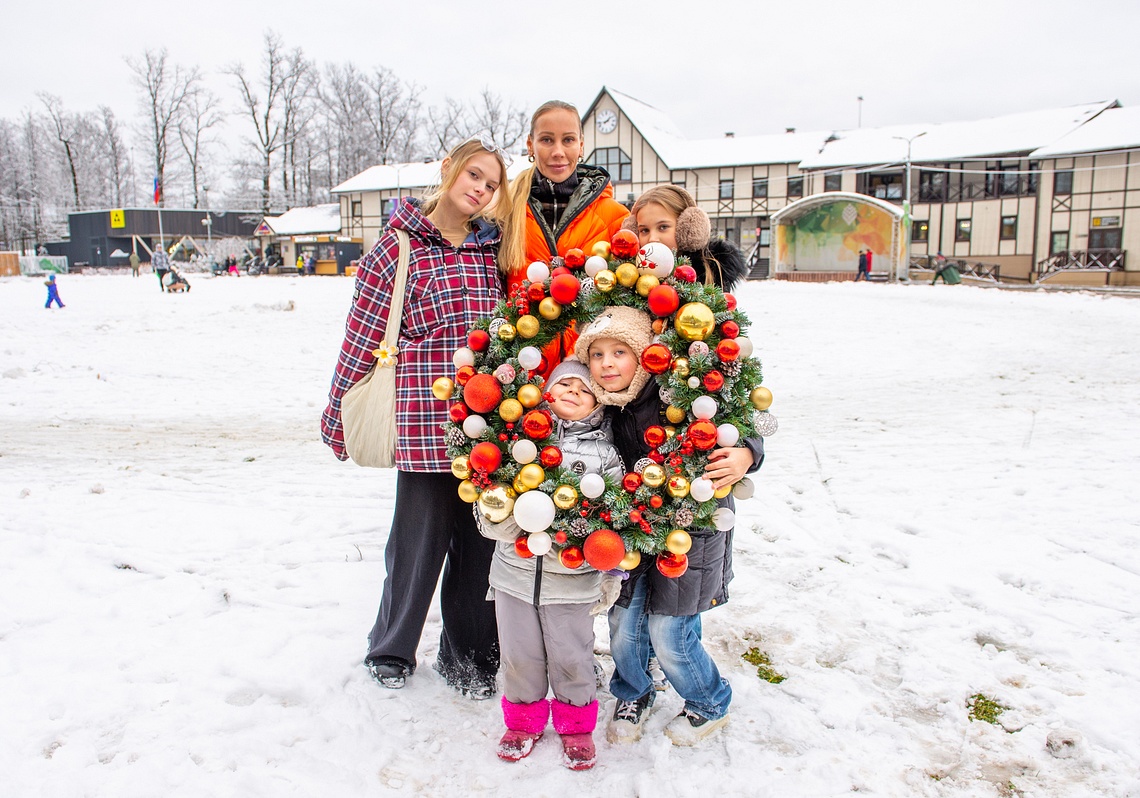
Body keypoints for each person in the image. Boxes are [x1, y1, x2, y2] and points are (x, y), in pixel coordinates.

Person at [320, 137, 516, 699]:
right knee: (417, 544)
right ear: (448, 170)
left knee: (482, 544)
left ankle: (471, 657)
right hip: (424, 420)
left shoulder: (492, 250)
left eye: (491, 183)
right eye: (473, 175)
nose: (479, 188)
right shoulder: (398, 248)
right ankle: (391, 647)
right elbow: (361, 334)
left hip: (486, 425)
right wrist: (338, 412)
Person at [478, 358, 624, 770]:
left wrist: (609, 572)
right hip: (514, 573)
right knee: (519, 653)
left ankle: (576, 726)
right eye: (565, 385)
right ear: (545, 394)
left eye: (584, 388)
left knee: (571, 654)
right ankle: (523, 722)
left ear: (599, 401)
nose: (574, 392)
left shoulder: (607, 454)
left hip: (571, 579)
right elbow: (490, 495)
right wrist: (503, 525)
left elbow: (613, 518)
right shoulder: (522, 440)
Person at [500, 100, 630, 372]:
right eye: (547, 140)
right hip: (519, 372)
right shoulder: (505, 212)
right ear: (530, 145)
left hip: (589, 376)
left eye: (568, 140)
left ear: (581, 145)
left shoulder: (614, 216)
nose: (558, 151)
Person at [627, 184, 748, 288]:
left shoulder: (711, 274)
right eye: (644, 230)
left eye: (663, 227)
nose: (652, 238)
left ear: (687, 228)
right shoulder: (627, 277)